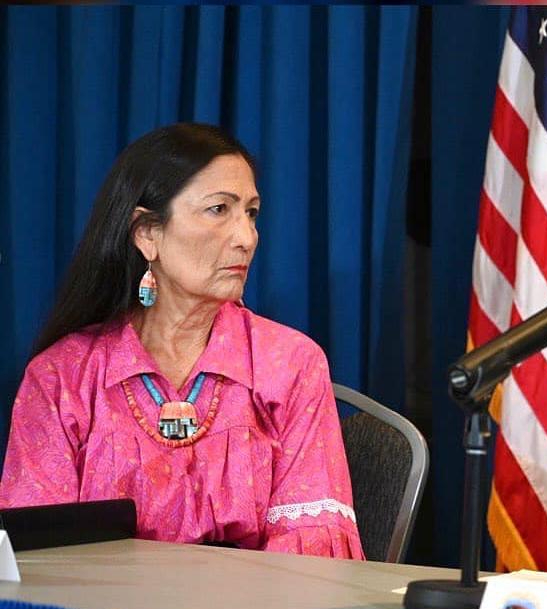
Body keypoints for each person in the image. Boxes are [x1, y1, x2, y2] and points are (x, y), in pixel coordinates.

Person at [0, 123, 363, 559]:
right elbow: (37, 554)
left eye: (251, 212)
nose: (246, 238)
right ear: (146, 233)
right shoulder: (63, 375)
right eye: (218, 210)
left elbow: (312, 551)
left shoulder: (291, 364)